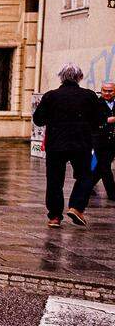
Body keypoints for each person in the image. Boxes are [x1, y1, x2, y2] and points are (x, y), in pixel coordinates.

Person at [32, 63, 107, 227]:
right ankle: (76, 206)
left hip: (56, 144)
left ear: (61, 77)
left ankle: (55, 217)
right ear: (79, 77)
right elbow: (99, 120)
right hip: (81, 144)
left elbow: (38, 119)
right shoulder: (88, 96)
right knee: (85, 176)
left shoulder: (51, 96)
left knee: (54, 180)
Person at [92, 82, 115, 200]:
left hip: (113, 140)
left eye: (110, 91)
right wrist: (107, 120)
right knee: (105, 166)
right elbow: (92, 120)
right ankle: (112, 193)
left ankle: (87, 185)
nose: (107, 93)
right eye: (105, 90)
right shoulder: (96, 103)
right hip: (100, 140)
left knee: (100, 167)